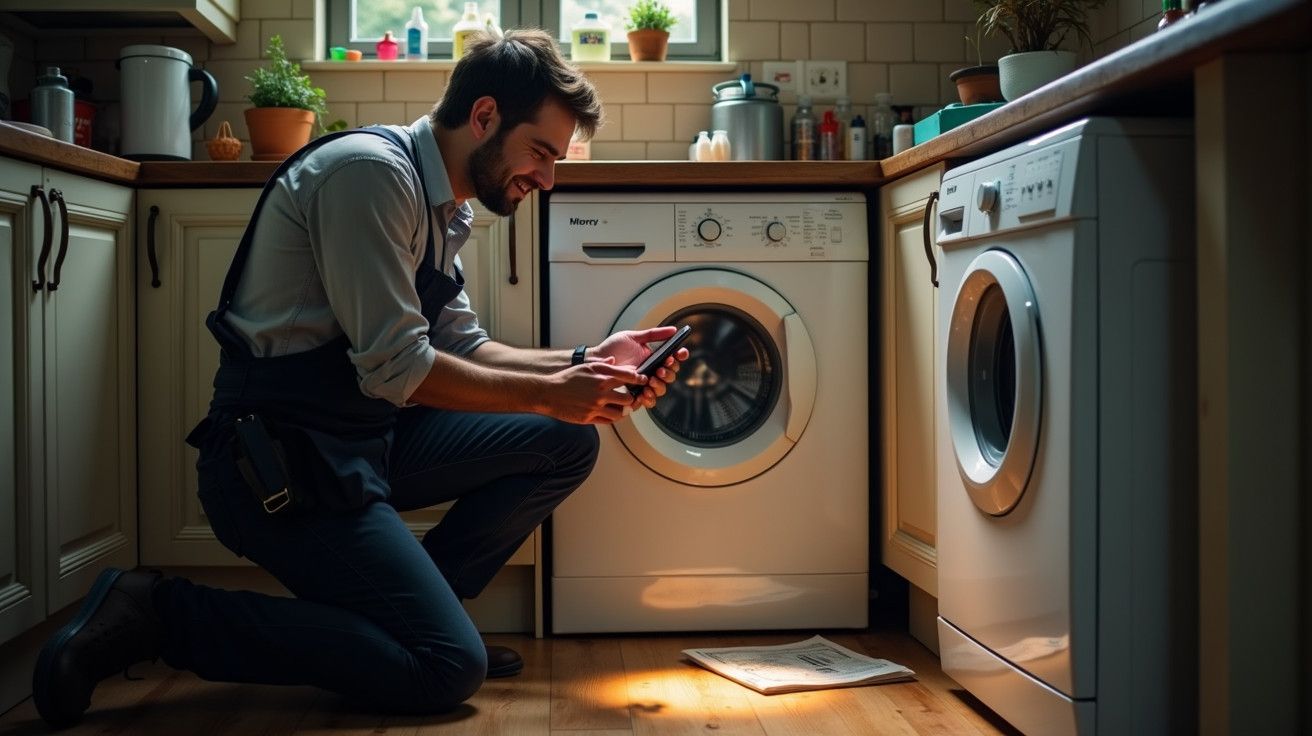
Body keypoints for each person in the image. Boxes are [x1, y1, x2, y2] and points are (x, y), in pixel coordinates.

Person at [32, 28, 688, 728]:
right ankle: (160, 615)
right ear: (486, 116)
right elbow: (401, 367)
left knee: (564, 441)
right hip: (279, 469)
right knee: (445, 670)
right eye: (541, 153)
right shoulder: (370, 175)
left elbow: (462, 344)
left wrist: (588, 361)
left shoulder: (444, 207)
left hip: (359, 446)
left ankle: (417, 621)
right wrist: (552, 392)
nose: (548, 178)